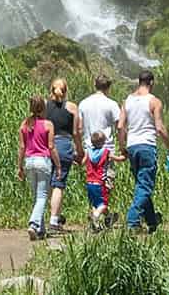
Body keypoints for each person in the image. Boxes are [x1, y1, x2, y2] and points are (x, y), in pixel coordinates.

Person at [117, 69, 169, 234]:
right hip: (147, 146)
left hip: (132, 146)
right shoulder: (154, 101)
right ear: (151, 83)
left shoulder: (127, 101)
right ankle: (132, 220)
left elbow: (120, 126)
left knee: (142, 184)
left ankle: (151, 221)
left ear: (139, 82)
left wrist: (122, 146)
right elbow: (160, 128)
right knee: (145, 186)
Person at [16, 94, 61, 241]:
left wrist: (19, 167)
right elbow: (51, 146)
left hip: (29, 162)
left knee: (37, 196)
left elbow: (22, 147)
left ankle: (40, 230)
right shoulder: (48, 125)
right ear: (43, 108)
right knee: (42, 196)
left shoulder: (24, 125)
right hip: (43, 162)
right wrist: (58, 166)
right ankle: (34, 224)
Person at [76, 73, 123, 211]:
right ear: (108, 87)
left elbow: (79, 128)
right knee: (105, 183)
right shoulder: (112, 104)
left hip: (88, 150)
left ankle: (98, 214)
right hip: (106, 150)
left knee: (93, 181)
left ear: (94, 85)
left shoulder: (83, 103)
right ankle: (100, 213)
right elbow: (119, 126)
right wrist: (123, 146)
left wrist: (79, 149)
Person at [45, 78, 83, 233]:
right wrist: (80, 151)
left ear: (51, 90)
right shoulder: (72, 107)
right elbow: (76, 132)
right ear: (66, 90)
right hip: (63, 145)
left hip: (46, 145)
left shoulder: (44, 107)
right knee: (58, 184)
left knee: (47, 184)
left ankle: (43, 218)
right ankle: (54, 220)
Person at [83, 129, 113, 231]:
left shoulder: (88, 152)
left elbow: (82, 162)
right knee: (103, 204)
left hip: (89, 182)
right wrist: (123, 157)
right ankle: (95, 216)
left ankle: (96, 224)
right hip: (100, 182)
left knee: (95, 203)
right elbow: (115, 158)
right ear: (103, 142)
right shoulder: (106, 152)